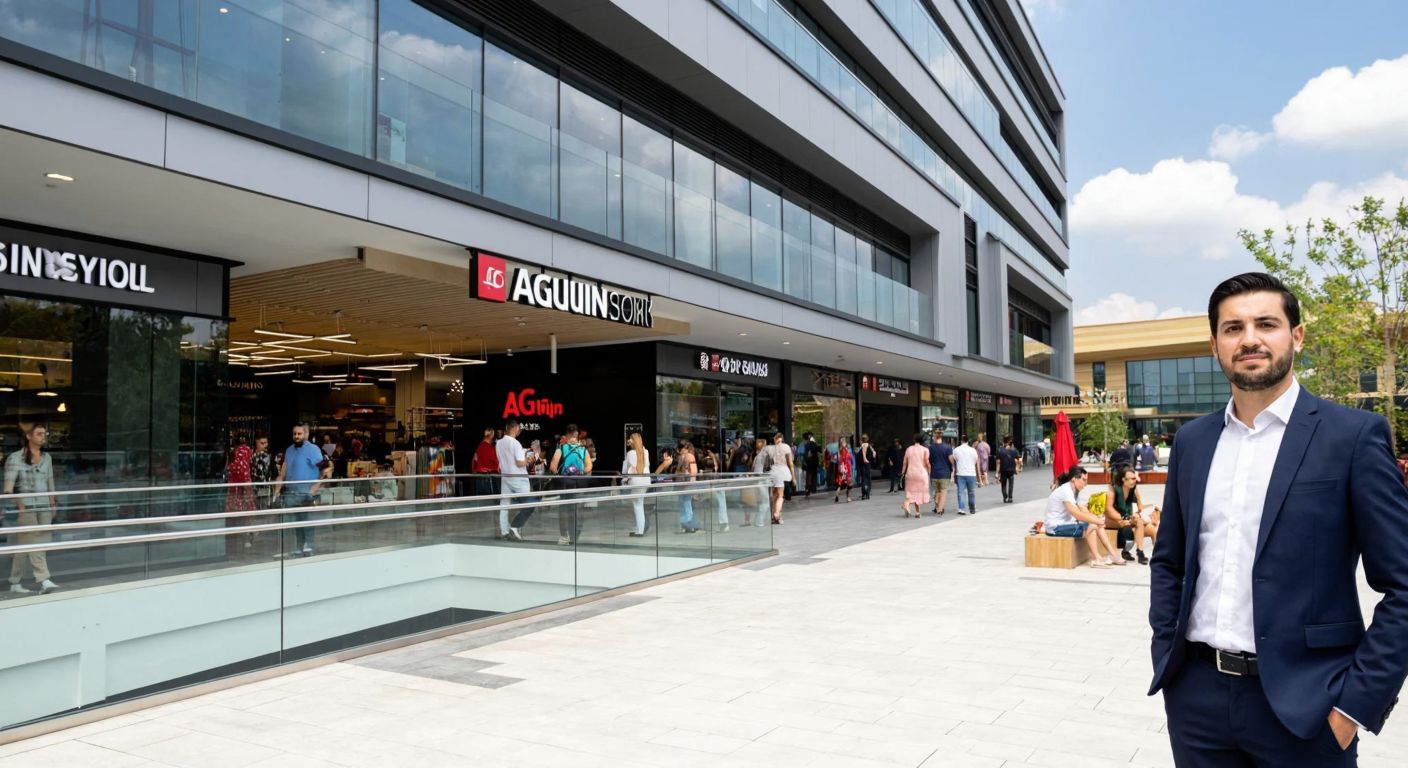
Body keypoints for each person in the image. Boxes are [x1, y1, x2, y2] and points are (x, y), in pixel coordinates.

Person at [1149, 272, 1408, 767]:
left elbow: (1403, 584)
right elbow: (1170, 562)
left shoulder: (1352, 437)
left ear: (1297, 335)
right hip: (1197, 700)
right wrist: (1168, 656)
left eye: (1266, 323)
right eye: (1233, 328)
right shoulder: (1193, 441)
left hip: (1308, 707)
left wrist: (1354, 705)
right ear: (1215, 344)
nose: (1249, 339)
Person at [5, 424, 59, 594]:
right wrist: (19, 505)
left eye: (45, 433)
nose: (43, 436)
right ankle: (44, 579)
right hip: (26, 507)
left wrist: (52, 503)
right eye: (39, 433)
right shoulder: (15, 458)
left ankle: (14, 582)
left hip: (44, 506)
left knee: (27, 545)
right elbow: (8, 488)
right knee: (35, 542)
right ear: (29, 436)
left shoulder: (47, 457)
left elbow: (50, 482)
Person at [1044, 466, 1124, 569]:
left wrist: (1097, 518)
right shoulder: (1066, 491)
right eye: (1084, 480)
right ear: (1074, 479)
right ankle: (1096, 558)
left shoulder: (1074, 490)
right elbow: (1076, 514)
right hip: (1055, 528)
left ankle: (1113, 555)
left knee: (1095, 524)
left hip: (1063, 525)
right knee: (1091, 525)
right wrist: (1096, 520)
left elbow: (1082, 509)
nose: (1086, 483)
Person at [272, 423, 331, 557]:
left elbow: (326, 470)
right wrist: (277, 489)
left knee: (307, 520)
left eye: (299, 434)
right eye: (295, 434)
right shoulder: (289, 450)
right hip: (292, 493)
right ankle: (299, 546)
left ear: (305, 434)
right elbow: (283, 472)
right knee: (297, 521)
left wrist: (315, 488)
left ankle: (308, 545)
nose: (297, 436)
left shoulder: (313, 449)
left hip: (307, 493)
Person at [548, 424, 592, 545]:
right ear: (577, 436)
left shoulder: (560, 448)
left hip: (565, 484)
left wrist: (560, 474)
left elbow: (553, 466)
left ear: (567, 435)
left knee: (564, 510)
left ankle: (564, 536)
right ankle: (574, 537)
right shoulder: (583, 450)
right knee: (577, 510)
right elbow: (589, 466)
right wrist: (580, 472)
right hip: (579, 484)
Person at [1106, 464, 1158, 564]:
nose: (1134, 481)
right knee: (1134, 523)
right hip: (1112, 519)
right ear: (1123, 480)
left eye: (1134, 478)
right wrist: (1123, 518)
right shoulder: (1113, 489)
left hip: (1128, 518)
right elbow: (1108, 509)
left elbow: (1140, 507)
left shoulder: (1134, 489)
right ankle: (1125, 550)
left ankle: (1141, 552)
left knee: (1151, 527)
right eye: (1130, 479)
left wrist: (1146, 513)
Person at [496, 420, 536, 541]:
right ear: (514, 428)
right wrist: (528, 460)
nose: (519, 430)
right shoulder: (516, 443)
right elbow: (519, 463)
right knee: (530, 504)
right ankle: (514, 527)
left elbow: (500, 461)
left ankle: (504, 531)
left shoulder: (499, 443)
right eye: (518, 428)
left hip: (505, 476)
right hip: (518, 478)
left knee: (504, 504)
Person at [225, 436, 256, 552]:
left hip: (236, 491)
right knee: (245, 516)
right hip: (242, 491)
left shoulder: (234, 457)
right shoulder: (245, 457)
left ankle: (238, 537)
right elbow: (243, 474)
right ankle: (246, 536)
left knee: (236, 516)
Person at [622, 431, 651, 537]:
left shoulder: (630, 453)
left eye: (630, 439)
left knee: (637, 506)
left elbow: (626, 469)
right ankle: (640, 528)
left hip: (636, 481)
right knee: (640, 504)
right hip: (645, 480)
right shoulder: (646, 451)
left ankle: (640, 530)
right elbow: (647, 464)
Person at [763, 432, 794, 524]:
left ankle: (773, 516)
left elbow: (766, 464)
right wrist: (793, 476)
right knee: (780, 495)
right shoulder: (786, 447)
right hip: (782, 472)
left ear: (774, 439)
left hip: (772, 473)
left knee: (774, 494)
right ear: (782, 438)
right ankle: (777, 514)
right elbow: (790, 464)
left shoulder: (769, 448)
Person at [900, 433, 932, 518]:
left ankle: (909, 506)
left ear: (914, 440)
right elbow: (927, 462)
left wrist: (902, 473)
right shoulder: (925, 450)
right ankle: (915, 511)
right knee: (918, 493)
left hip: (910, 474)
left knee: (911, 492)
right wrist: (929, 471)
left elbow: (904, 463)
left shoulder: (908, 449)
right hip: (921, 474)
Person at [699, 444, 728, 531]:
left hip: (709, 485)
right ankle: (722, 522)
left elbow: (712, 469)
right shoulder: (715, 460)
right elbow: (715, 468)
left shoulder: (706, 460)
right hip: (716, 485)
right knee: (720, 504)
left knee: (708, 505)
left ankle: (707, 523)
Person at [674, 441, 700, 533]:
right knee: (685, 504)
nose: (678, 451)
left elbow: (693, 471)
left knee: (686, 504)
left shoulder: (689, 456)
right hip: (683, 484)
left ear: (684, 448)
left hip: (686, 484)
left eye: (679, 449)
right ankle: (686, 524)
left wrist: (690, 484)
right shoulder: (682, 457)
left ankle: (689, 524)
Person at [952, 436, 980, 516]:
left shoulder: (956, 450)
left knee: (961, 492)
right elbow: (975, 461)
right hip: (971, 473)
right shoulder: (973, 450)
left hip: (960, 473)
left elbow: (955, 460)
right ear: (968, 441)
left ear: (961, 441)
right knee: (971, 492)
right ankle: (972, 508)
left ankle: (961, 509)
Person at [927, 433, 954, 515]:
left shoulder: (930, 448)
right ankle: (940, 509)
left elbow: (928, 461)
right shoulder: (947, 448)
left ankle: (937, 507)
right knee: (943, 492)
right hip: (945, 474)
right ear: (941, 437)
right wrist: (952, 471)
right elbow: (951, 461)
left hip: (934, 474)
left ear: (935, 438)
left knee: (937, 492)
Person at [472, 427, 500, 497]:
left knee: (482, 500)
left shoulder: (480, 446)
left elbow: (475, 459)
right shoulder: (490, 447)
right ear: (491, 435)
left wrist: (474, 470)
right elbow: (495, 461)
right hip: (489, 477)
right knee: (491, 501)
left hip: (480, 476)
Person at [748, 437, 769, 527]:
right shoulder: (765, 455)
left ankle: (757, 520)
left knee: (760, 502)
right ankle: (759, 521)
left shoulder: (757, 456)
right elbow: (767, 466)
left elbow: (752, 468)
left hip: (756, 480)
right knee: (765, 502)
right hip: (762, 479)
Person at [996, 436, 1019, 503]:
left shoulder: (999, 450)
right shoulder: (1014, 450)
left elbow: (998, 462)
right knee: (1011, 484)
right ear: (1009, 442)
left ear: (1003, 442)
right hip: (1011, 470)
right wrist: (1017, 468)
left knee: (1003, 484)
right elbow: (1018, 460)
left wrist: (997, 473)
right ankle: (1010, 497)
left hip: (1003, 470)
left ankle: (1005, 497)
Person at [833, 437, 854, 503]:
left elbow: (839, 460)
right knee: (849, 483)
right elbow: (846, 458)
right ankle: (848, 497)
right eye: (844, 441)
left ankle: (837, 494)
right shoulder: (844, 450)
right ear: (842, 443)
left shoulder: (839, 450)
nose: (845, 442)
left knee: (841, 484)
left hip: (842, 468)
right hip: (845, 468)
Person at [856, 433, 876, 501]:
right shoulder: (866, 445)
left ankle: (864, 494)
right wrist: (866, 460)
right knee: (868, 480)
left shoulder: (862, 446)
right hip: (866, 464)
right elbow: (872, 454)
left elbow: (864, 453)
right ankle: (866, 494)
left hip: (862, 464)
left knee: (864, 479)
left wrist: (865, 459)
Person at [799, 432, 819, 497]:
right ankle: (810, 489)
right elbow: (817, 451)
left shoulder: (804, 444)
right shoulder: (812, 443)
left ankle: (808, 490)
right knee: (810, 476)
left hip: (808, 462)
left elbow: (800, 453)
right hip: (812, 462)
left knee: (808, 476)